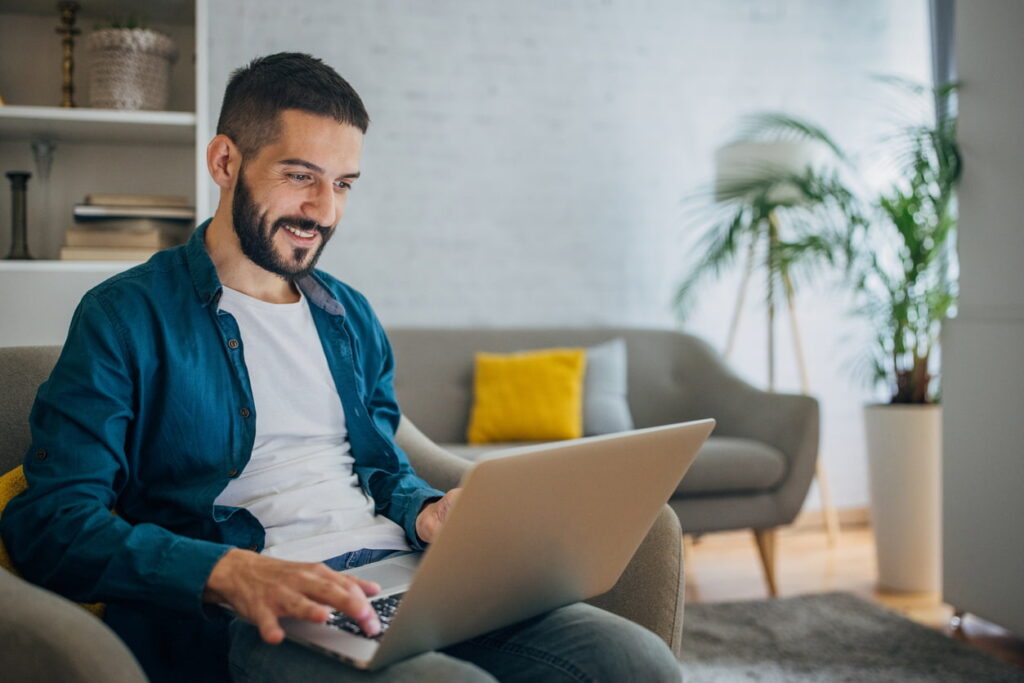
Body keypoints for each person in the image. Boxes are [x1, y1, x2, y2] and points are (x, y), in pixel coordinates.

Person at [0, 53, 680, 683]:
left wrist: (427, 514)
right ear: (224, 160)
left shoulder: (348, 316)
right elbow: (50, 520)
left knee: (632, 659)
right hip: (253, 613)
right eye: (300, 176)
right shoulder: (125, 316)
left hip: (405, 579)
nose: (323, 211)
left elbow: (385, 468)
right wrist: (227, 572)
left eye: (343, 184)